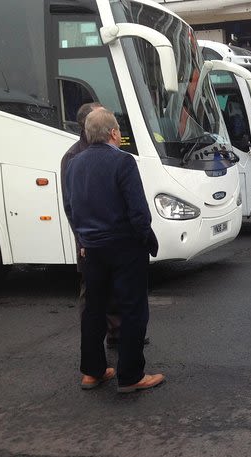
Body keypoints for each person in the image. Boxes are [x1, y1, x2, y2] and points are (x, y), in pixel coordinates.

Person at [63, 108, 164, 393]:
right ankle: (131, 376)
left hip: (92, 250)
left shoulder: (73, 163)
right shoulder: (123, 162)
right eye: (119, 130)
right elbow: (139, 212)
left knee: (94, 311)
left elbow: (71, 207)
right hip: (124, 247)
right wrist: (145, 238)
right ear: (114, 133)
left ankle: (92, 372)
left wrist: (83, 241)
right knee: (132, 310)